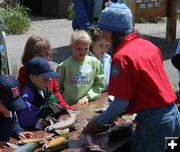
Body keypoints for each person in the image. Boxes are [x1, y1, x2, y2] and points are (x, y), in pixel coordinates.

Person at [83, 2, 180, 152]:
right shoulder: (149, 46)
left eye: (103, 30)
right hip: (174, 116)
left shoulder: (122, 57)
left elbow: (121, 103)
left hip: (154, 124)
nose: (102, 36)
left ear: (112, 31)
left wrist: (98, 121)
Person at [17, 35, 75, 110]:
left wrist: (64, 106)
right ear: (30, 56)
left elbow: (55, 91)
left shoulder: (49, 69)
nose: (44, 58)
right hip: (35, 112)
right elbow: (23, 97)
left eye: (47, 54)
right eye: (40, 55)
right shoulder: (24, 72)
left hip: (50, 107)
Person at [56, 30, 105, 106]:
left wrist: (87, 97)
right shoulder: (64, 66)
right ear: (71, 47)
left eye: (86, 48)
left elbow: (99, 84)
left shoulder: (95, 63)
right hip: (69, 105)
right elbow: (58, 88)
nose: (83, 52)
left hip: (89, 103)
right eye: (79, 49)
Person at [17, 56, 64, 129]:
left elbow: (53, 101)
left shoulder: (43, 88)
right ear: (32, 77)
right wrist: (43, 122)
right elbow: (25, 122)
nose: (49, 82)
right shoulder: (27, 95)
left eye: (49, 79)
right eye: (45, 79)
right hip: (31, 132)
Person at [0, 74, 33, 148]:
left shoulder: (5, 107)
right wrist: (6, 114)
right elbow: (4, 138)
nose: (10, 108)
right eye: (9, 104)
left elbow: (13, 122)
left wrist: (19, 131)